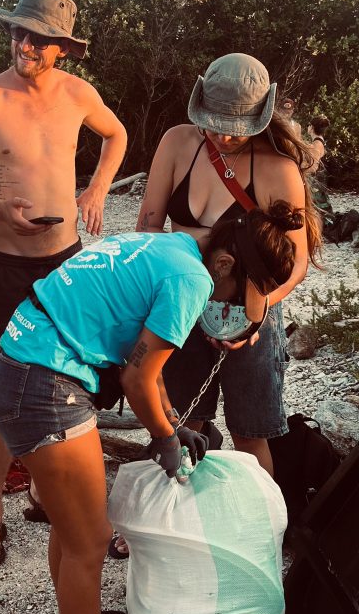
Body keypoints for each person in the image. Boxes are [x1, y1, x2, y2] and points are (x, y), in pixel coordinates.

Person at [0, 201, 300, 614]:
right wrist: (165, 438)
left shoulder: (172, 248)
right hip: (44, 384)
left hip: (29, 362)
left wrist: (171, 422)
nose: (228, 303)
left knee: (73, 527)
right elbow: (136, 377)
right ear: (224, 265)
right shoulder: (192, 281)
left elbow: (146, 370)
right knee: (89, 539)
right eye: (238, 292)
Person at [0, 0, 127, 568]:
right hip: (10, 265)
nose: (26, 45)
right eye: (20, 32)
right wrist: (1, 211)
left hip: (67, 258)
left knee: (75, 380)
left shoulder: (78, 93)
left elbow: (116, 134)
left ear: (62, 48)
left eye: (41, 38)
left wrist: (95, 189)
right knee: (4, 385)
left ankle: (55, 499)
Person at [136, 53, 323, 476]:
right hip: (181, 300)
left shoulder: (277, 168)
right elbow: (147, 227)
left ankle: (261, 533)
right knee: (176, 422)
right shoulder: (177, 142)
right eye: (215, 123)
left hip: (252, 303)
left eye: (236, 130)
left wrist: (255, 318)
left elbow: (296, 264)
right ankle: (168, 519)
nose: (222, 137)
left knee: (249, 433)